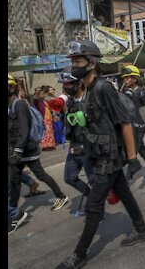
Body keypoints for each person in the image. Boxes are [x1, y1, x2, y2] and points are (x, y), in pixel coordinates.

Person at [56, 40, 145, 269]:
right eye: (73, 62)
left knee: (93, 206)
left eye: (78, 61)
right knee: (124, 195)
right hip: (100, 155)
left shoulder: (103, 88)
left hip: (109, 158)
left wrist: (132, 158)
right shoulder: (88, 90)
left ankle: (79, 255)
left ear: (92, 63)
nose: (74, 66)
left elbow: (125, 123)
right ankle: (142, 230)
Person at [8, 74, 69, 213]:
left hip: (26, 149)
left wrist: (17, 150)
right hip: (17, 150)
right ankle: (13, 211)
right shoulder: (10, 105)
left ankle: (61, 196)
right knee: (14, 180)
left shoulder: (19, 105)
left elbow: (24, 129)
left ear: (12, 87)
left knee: (40, 175)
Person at [52, 67, 96, 198]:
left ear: (79, 83)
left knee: (94, 180)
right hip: (74, 146)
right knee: (69, 178)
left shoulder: (91, 99)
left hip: (89, 147)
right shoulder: (69, 102)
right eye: (64, 85)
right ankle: (92, 197)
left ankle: (97, 208)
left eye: (69, 83)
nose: (66, 87)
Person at [120, 65, 145, 181]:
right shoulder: (126, 92)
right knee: (142, 150)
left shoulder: (142, 92)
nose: (125, 80)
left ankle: (128, 176)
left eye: (128, 77)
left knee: (133, 149)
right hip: (131, 125)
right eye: (124, 78)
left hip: (140, 126)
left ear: (135, 78)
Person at [35, 86, 56, 150]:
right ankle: (45, 145)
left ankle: (50, 144)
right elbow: (40, 109)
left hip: (48, 117)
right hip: (44, 117)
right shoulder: (39, 101)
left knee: (49, 132)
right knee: (46, 132)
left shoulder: (44, 100)